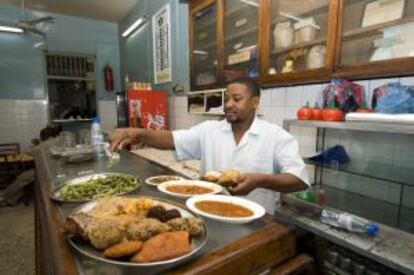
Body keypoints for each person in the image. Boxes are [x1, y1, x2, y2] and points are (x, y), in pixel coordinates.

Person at [110, 77, 309, 212]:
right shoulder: (209, 130)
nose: (229, 104)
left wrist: (260, 180)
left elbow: (298, 180)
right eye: (227, 98)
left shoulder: (275, 136)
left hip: (255, 221)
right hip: (208, 213)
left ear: (255, 102)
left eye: (237, 99)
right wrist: (138, 132)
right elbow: (171, 139)